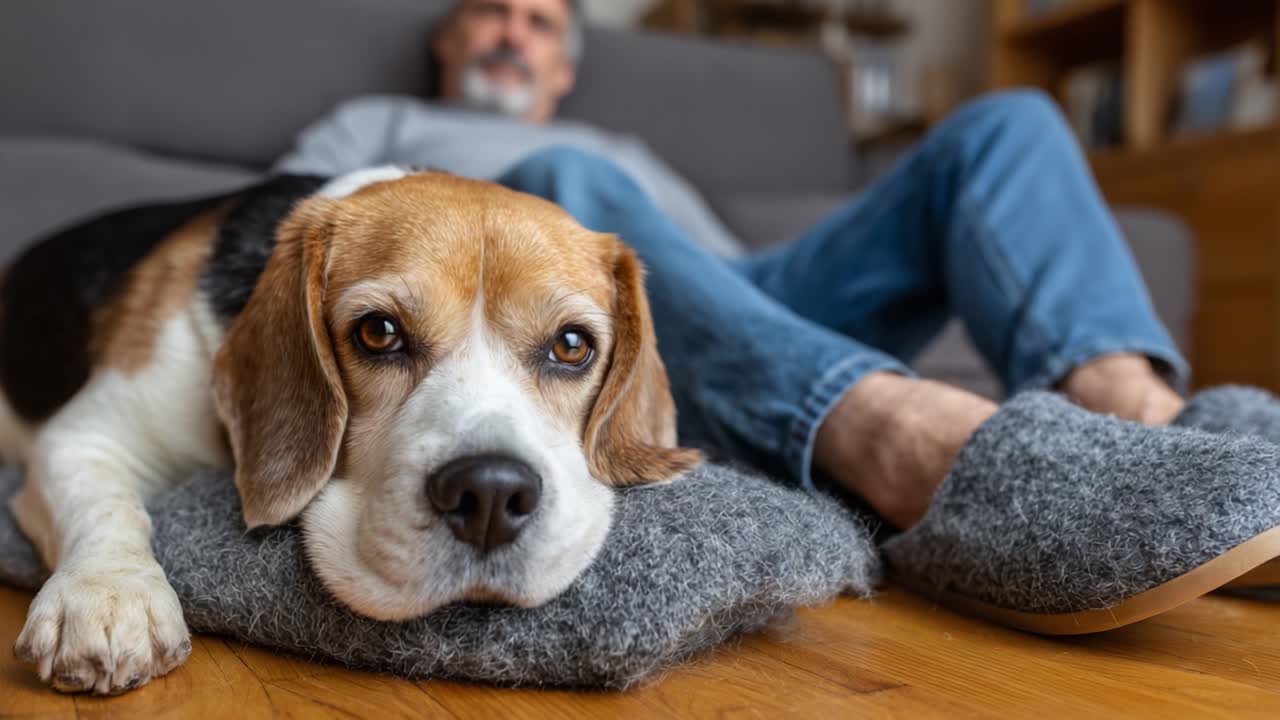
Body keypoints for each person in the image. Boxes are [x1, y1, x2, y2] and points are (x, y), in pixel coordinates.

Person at [276, 0, 1199, 530]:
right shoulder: (378, 127)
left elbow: (714, 268)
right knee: (562, 178)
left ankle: (1141, 418)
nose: (515, 32)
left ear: (562, 69)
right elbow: (272, 246)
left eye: (541, 22)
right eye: (493, 13)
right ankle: (886, 431)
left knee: (1010, 123)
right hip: (566, 343)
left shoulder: (616, 146)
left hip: (720, 317)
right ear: (447, 40)